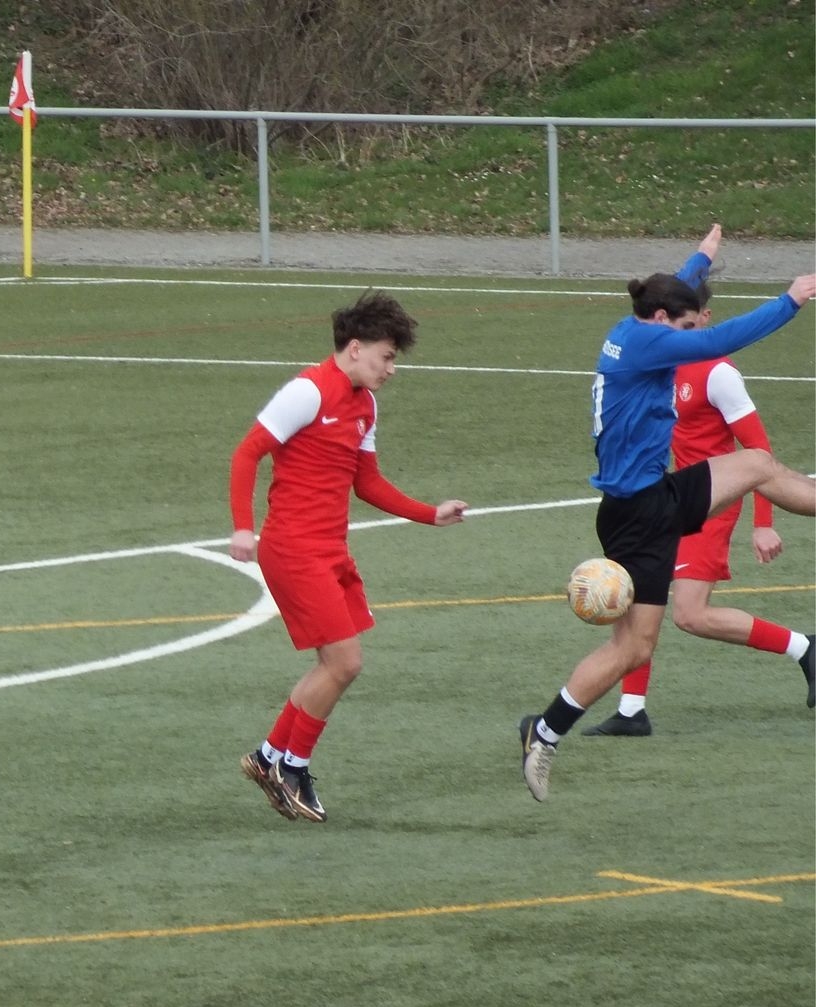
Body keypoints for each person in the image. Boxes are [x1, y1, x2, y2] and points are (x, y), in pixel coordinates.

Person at [517, 229, 816, 801]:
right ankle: (545, 732)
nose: (691, 337)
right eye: (684, 328)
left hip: (651, 499)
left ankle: (547, 730)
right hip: (642, 516)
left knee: (756, 463)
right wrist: (790, 300)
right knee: (632, 649)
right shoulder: (652, 343)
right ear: (660, 321)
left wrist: (702, 258)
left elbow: (679, 292)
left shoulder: (632, 329)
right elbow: (724, 337)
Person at [230, 291, 469, 823]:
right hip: (294, 549)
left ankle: (268, 759)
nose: (391, 369)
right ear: (356, 348)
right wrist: (243, 527)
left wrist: (429, 514)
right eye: (387, 356)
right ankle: (292, 767)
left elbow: (367, 482)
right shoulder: (308, 391)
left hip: (331, 549)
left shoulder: (365, 405)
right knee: (345, 662)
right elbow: (247, 452)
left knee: (332, 665)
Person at [584, 278, 815, 736]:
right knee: (639, 591)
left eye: (698, 324)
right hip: (667, 497)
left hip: (707, 503)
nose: (693, 332)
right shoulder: (660, 358)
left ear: (705, 319)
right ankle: (631, 710)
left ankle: (804, 648)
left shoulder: (717, 372)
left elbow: (758, 453)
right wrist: (703, 255)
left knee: (690, 614)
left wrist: (763, 522)